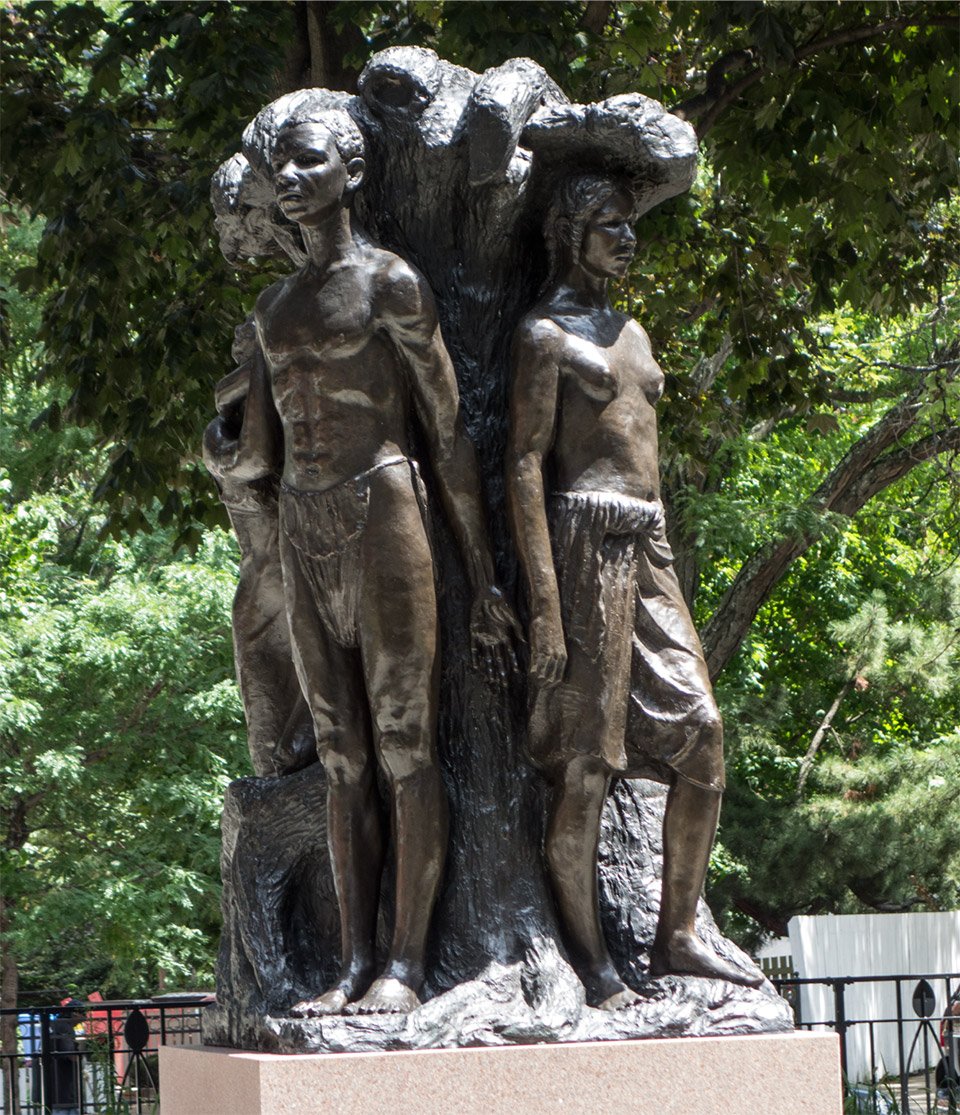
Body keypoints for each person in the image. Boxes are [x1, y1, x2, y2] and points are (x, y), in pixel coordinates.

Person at [242, 100, 516, 1016]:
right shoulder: (273, 310)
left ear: (351, 173)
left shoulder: (392, 285)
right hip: (303, 521)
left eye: (309, 161)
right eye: (281, 166)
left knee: (403, 744)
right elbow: (258, 456)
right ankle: (350, 962)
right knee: (340, 754)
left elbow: (448, 433)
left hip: (386, 507)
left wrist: (482, 579)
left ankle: (403, 962)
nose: (290, 178)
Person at [507, 171, 762, 1009]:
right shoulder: (545, 335)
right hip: (580, 538)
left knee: (703, 735)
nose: (628, 237)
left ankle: (677, 934)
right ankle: (595, 966)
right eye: (609, 224)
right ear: (571, 234)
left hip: (646, 542)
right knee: (586, 766)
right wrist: (544, 604)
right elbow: (521, 465)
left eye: (630, 224)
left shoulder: (636, 331)